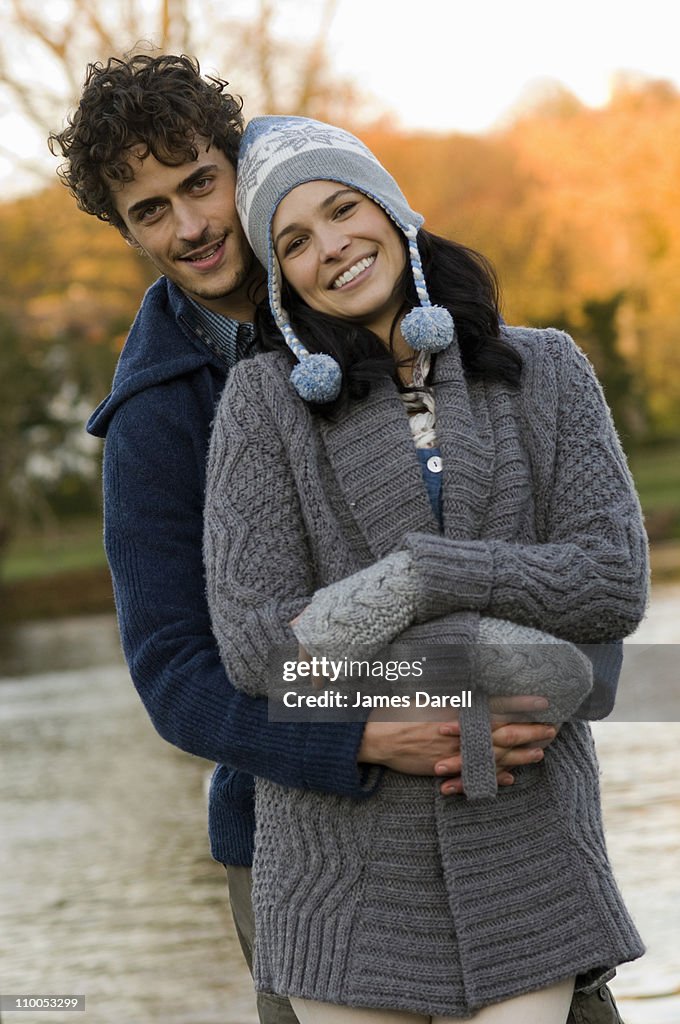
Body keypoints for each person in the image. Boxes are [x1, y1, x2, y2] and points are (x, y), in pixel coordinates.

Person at [48, 54, 628, 1024]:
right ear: (125, 231)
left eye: (198, 182)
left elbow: (577, 563)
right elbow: (183, 672)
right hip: (309, 833)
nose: (188, 225)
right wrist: (361, 734)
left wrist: (547, 683)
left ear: (244, 165)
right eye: (149, 210)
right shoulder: (162, 414)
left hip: (513, 810)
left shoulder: (433, 329)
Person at [203, 115, 649, 1023]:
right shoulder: (261, 407)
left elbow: (611, 580)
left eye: (343, 208)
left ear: (395, 211)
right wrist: (414, 688)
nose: (331, 248)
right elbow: (259, 649)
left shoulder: (546, 369)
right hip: (342, 864)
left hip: (525, 835)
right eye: (294, 241)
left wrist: (422, 575)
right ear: (281, 280)